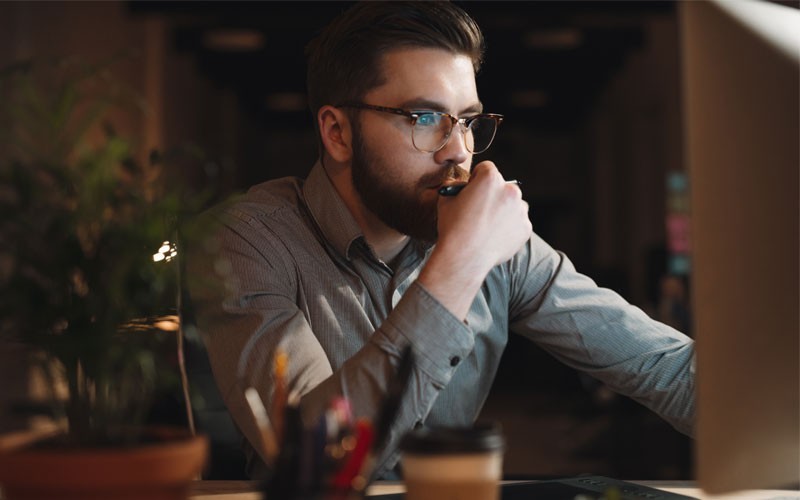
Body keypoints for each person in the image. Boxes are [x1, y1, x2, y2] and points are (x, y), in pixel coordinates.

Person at [187, 1, 695, 480]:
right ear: (337, 132)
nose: (459, 151)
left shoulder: (497, 243)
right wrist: (460, 264)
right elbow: (315, 463)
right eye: (424, 118)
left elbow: (665, 370)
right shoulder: (245, 242)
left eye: (468, 121)